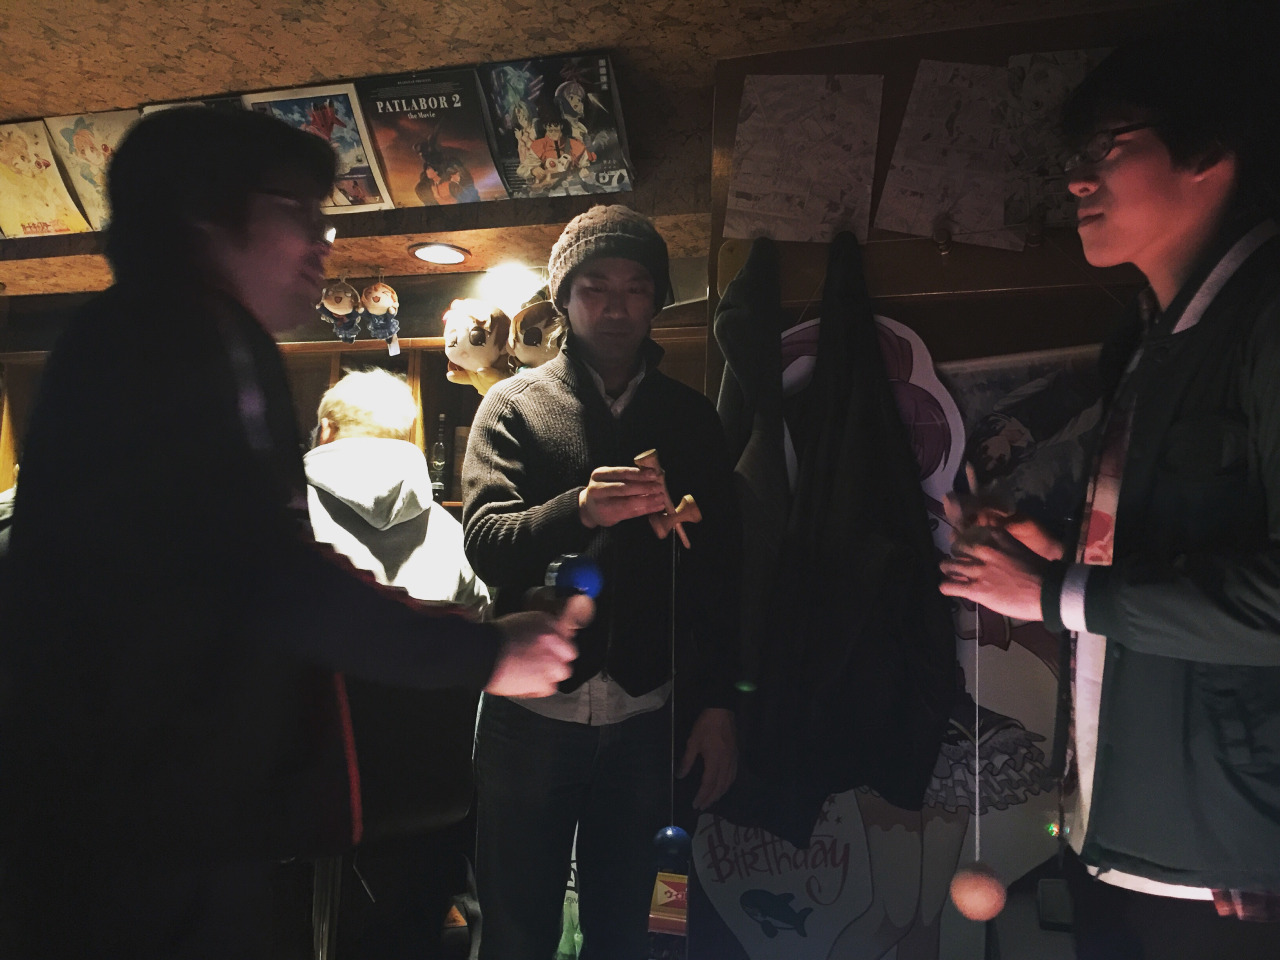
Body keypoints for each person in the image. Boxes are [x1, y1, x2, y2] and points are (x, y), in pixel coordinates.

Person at [0, 106, 582, 960]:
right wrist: (485, 651)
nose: (323, 243)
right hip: (148, 831)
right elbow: (269, 575)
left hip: (111, 813)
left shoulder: (130, 331)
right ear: (205, 215)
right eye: (298, 212)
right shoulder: (191, 337)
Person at [939, 13, 1280, 959]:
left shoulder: (1265, 318)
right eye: (1077, 158)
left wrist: (1057, 593)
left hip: (1231, 854)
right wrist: (1063, 552)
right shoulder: (1148, 339)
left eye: (1108, 148)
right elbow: (1182, 552)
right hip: (1123, 827)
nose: (1078, 180)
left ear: (1212, 151)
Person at [462, 204, 741, 960]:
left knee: (637, 929)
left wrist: (718, 703)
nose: (616, 307)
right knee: (515, 930)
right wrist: (578, 510)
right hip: (529, 716)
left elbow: (722, 576)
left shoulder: (690, 418)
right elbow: (487, 547)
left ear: (657, 301)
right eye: (595, 287)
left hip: (651, 716)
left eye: (636, 287)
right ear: (564, 299)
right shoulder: (512, 406)